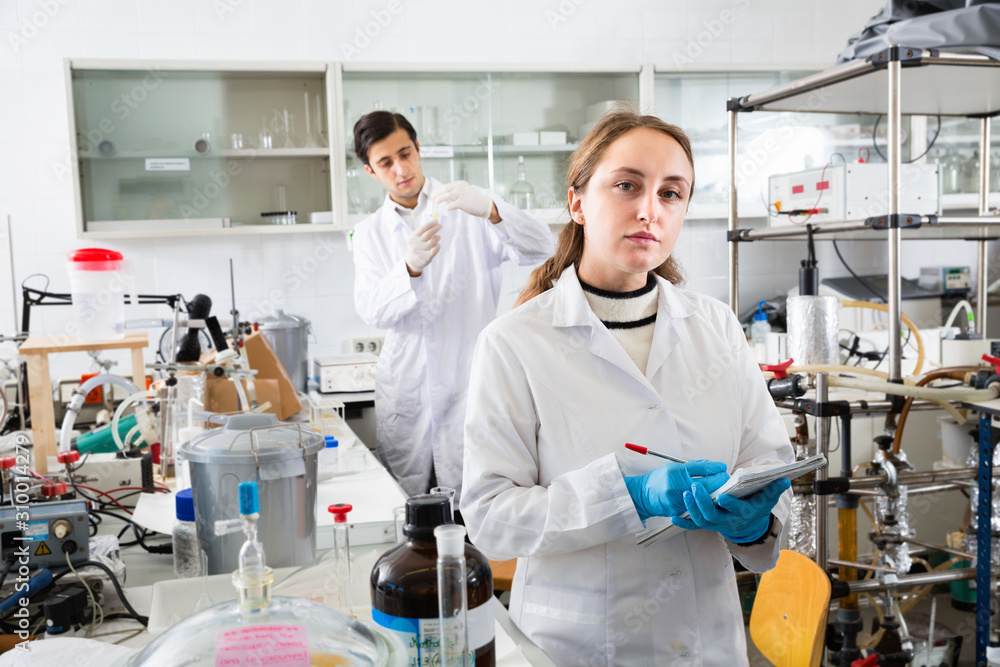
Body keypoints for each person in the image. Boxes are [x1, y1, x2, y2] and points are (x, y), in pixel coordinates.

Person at [460, 108, 794, 666]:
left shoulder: (715, 326)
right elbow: (491, 517)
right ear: (577, 203)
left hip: (706, 645)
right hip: (580, 648)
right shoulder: (515, 342)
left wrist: (755, 522)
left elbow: (769, 464)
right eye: (627, 186)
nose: (649, 210)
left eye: (671, 193)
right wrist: (629, 496)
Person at [351, 110, 554, 501]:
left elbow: (541, 246)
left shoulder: (466, 205)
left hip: (470, 383)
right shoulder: (368, 233)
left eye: (405, 154)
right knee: (412, 510)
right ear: (370, 171)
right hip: (408, 392)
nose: (401, 169)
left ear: (418, 149)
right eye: (386, 162)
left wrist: (492, 210)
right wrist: (408, 269)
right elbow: (372, 311)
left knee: (479, 504)